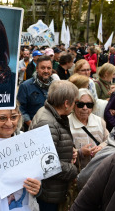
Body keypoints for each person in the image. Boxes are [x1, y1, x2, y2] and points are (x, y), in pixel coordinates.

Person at [29, 80, 78, 210]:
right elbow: (46, 163)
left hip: (52, 190)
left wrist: (70, 150)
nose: (74, 106)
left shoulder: (53, 115)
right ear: (66, 103)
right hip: (48, 193)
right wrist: (72, 170)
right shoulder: (48, 122)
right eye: (74, 102)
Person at [69, 88, 108, 170]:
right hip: (77, 172)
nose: (85, 108)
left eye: (89, 105)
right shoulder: (67, 123)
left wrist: (101, 147)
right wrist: (80, 152)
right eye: (80, 104)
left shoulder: (99, 121)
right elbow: (62, 152)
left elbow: (109, 140)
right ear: (73, 105)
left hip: (99, 170)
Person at [17, 56, 54, 131]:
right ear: (37, 69)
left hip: (52, 128)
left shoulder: (56, 86)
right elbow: (21, 109)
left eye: (49, 68)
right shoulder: (25, 86)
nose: (46, 71)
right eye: (43, 68)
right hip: (32, 129)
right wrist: (32, 125)